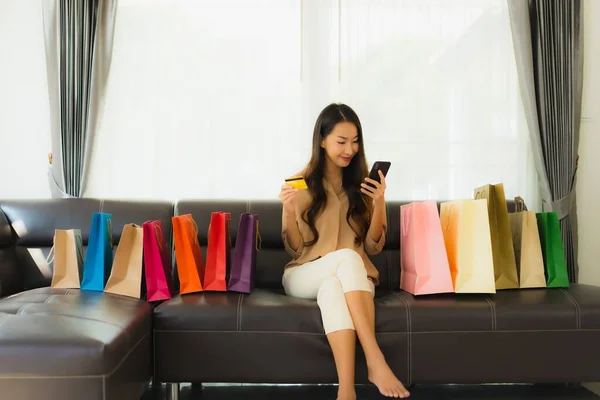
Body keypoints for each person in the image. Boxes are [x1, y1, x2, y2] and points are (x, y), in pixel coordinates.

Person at [278, 103, 410, 400]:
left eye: (354, 141)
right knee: (346, 260)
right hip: (304, 274)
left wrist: (379, 203)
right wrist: (288, 211)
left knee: (334, 287)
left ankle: (346, 391)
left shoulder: (363, 184)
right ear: (322, 140)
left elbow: (374, 246)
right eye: (341, 141)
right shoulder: (298, 183)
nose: (349, 149)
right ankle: (375, 360)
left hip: (355, 280)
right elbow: (296, 248)